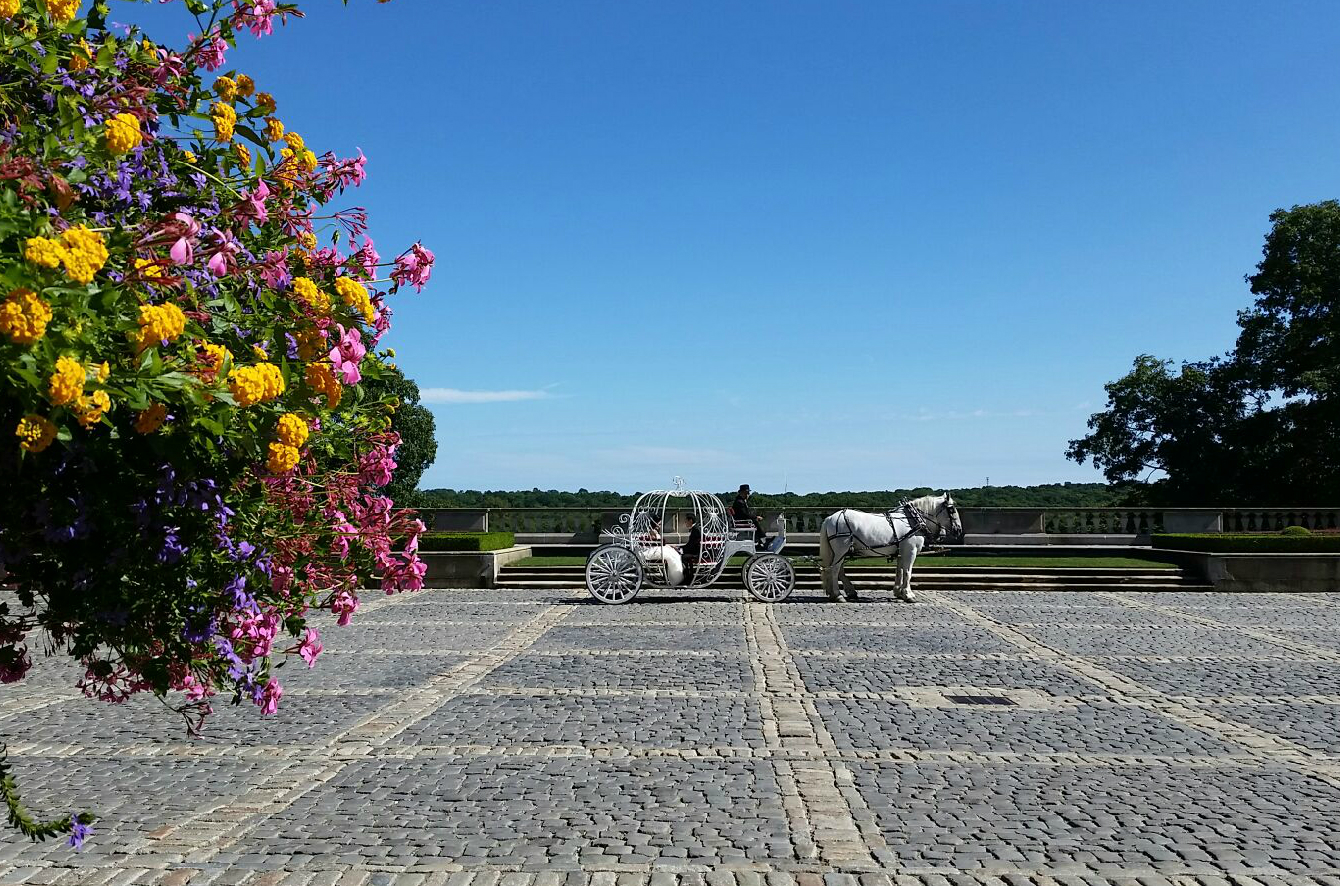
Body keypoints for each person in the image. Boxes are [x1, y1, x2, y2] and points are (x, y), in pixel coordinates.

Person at [732, 484, 766, 549]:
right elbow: (745, 514)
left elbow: (745, 513)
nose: (748, 495)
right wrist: (756, 517)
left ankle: (760, 540)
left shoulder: (739, 501)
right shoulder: (740, 502)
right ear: (742, 493)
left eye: (748, 493)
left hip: (740, 520)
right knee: (755, 521)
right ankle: (762, 538)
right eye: (747, 493)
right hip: (741, 521)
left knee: (755, 521)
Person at [679, 511, 701, 584]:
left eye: (686, 521)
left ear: (690, 521)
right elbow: (691, 544)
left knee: (682, 557)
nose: (685, 523)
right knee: (683, 556)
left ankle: (688, 577)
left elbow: (692, 546)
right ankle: (688, 576)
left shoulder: (695, 530)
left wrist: (681, 549)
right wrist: (680, 547)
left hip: (697, 553)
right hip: (695, 551)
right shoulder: (695, 529)